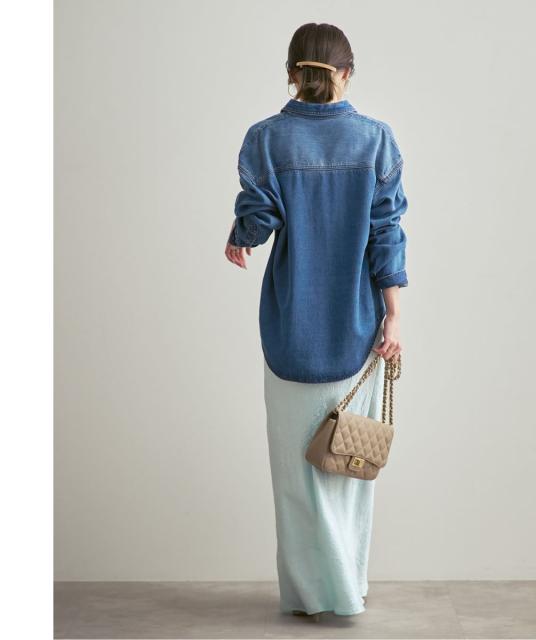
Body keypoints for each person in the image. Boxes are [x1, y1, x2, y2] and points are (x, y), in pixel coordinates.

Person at [225, 22, 408, 620]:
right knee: (348, 470)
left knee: (294, 476)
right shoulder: (375, 140)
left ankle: (307, 596)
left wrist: (240, 235)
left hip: (290, 331)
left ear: (291, 73)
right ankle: (347, 589)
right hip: (357, 329)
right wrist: (394, 317)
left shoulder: (266, 139)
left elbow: (258, 218)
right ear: (346, 73)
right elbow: (386, 233)